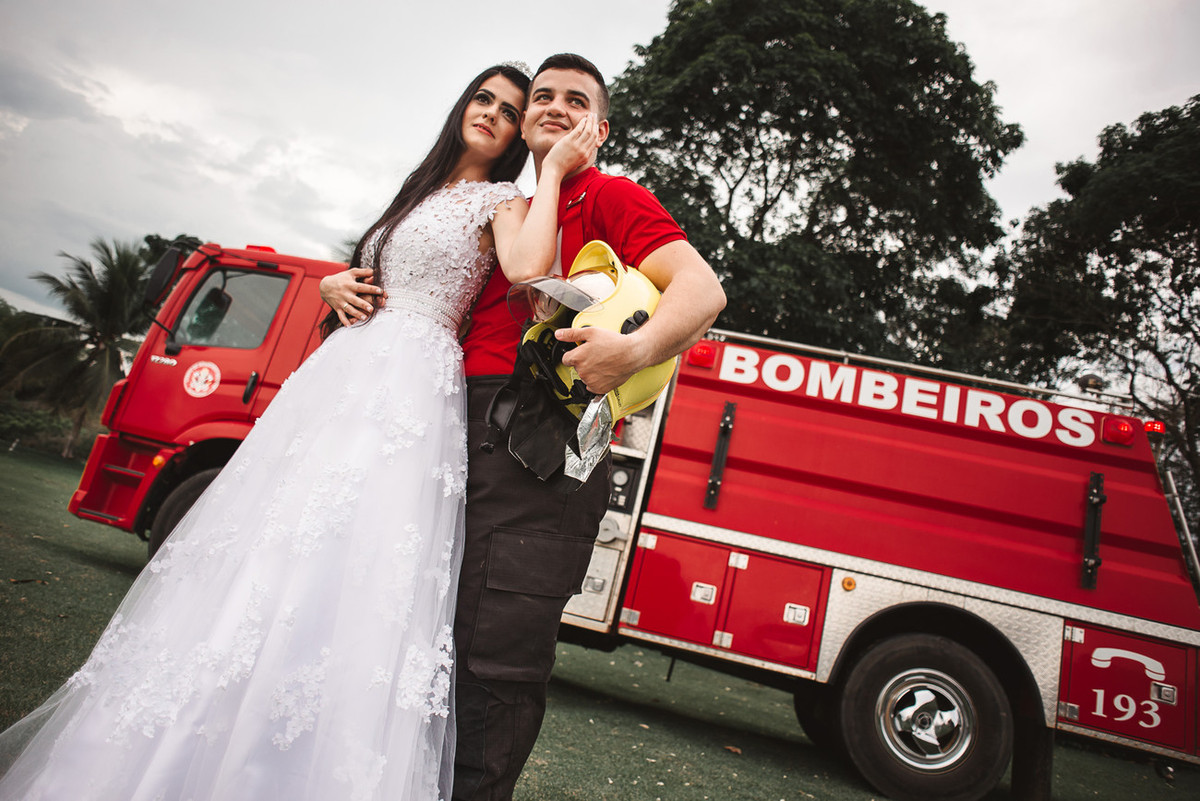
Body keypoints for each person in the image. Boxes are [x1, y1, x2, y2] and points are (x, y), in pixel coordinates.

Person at [0, 63, 600, 801]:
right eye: (484, 98)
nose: (492, 114)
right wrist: (329, 282)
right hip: (346, 379)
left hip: (413, 390)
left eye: (509, 111)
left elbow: (527, 267)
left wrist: (558, 169)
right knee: (278, 547)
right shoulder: (421, 189)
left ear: (516, 136)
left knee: (362, 561)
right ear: (460, 106)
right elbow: (372, 269)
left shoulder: (502, 200)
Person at [320, 54, 726, 801]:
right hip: (450, 431)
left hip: (542, 444)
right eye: (542, 97)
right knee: (419, 637)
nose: (553, 107)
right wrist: (343, 280)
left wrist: (630, 351)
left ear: (599, 129)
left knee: (494, 659)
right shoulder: (509, 207)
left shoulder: (612, 195)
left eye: (576, 100)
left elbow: (703, 289)